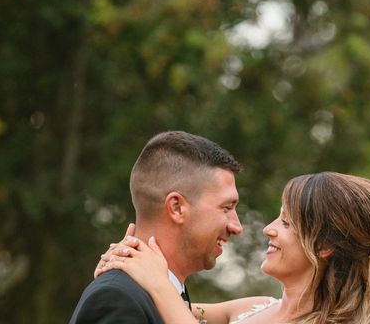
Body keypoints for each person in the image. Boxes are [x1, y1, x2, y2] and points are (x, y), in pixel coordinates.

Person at [97, 172, 370, 324]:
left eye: (286, 222)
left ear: (324, 246)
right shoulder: (253, 308)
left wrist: (155, 280)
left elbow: (169, 302)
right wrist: (132, 260)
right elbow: (177, 311)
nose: (268, 228)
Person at [69, 131, 243, 324]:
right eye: (226, 207)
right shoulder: (116, 298)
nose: (237, 226)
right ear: (176, 207)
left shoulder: (163, 295)